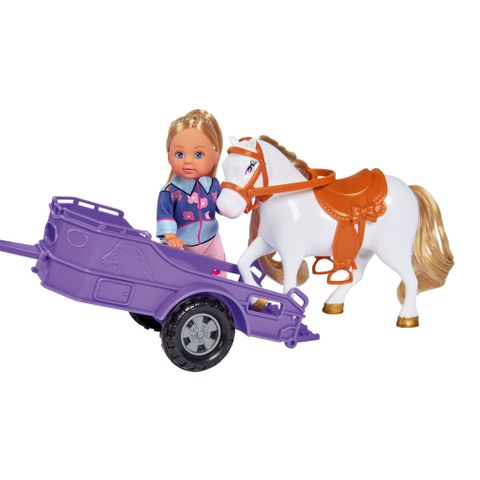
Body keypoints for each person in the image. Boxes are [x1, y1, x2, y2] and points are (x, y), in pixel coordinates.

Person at [156, 109, 226, 277]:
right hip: (182, 243)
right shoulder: (170, 191)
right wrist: (170, 236)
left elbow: (224, 206)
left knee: (219, 272)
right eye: (179, 154)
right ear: (169, 155)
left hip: (211, 240)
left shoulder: (213, 185)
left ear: (215, 156)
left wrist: (241, 204)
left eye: (198, 154)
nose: (188, 161)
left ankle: (220, 287)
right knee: (179, 275)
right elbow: (165, 216)